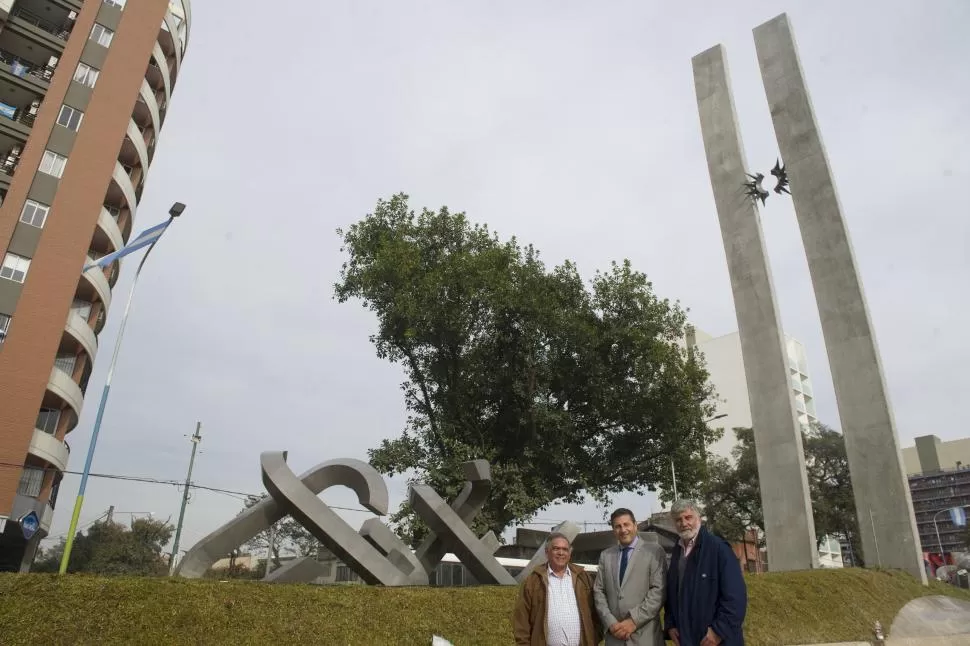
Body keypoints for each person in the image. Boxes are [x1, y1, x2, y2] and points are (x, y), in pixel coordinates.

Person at [664, 499, 747, 646]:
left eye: (688, 517)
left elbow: (736, 598)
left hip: (718, 640)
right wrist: (670, 624)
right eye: (678, 520)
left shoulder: (719, 549)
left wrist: (718, 631)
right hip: (688, 638)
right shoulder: (677, 551)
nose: (683, 523)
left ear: (698, 518)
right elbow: (672, 592)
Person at [593, 508, 667, 646]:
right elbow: (599, 591)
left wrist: (634, 621)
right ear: (613, 530)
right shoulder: (606, 555)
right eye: (618, 526)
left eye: (626, 524)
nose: (623, 530)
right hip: (615, 637)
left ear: (635, 525)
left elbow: (658, 591)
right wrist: (611, 622)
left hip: (645, 637)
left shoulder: (654, 551)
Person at [513, 532, 601, 646]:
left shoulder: (583, 577)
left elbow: (597, 612)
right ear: (547, 552)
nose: (561, 553)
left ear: (570, 553)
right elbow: (522, 619)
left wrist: (593, 638)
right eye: (556, 549)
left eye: (565, 549)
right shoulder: (534, 580)